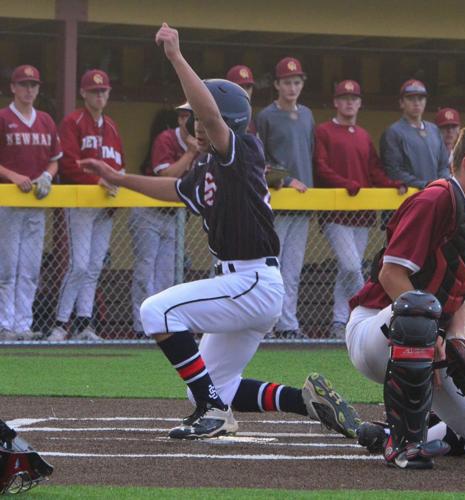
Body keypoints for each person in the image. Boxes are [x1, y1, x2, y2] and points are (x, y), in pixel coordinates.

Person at [80, 23, 360, 441]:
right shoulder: (209, 165)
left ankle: (211, 410)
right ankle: (305, 402)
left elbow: (211, 115)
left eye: (196, 115)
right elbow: (173, 189)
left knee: (156, 312)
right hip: (242, 282)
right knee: (219, 384)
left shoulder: (242, 149)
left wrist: (175, 55)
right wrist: (118, 176)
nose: (192, 121)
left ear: (222, 117)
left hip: (251, 280)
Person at [345, 126, 465, 469]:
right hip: (376, 329)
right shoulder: (435, 199)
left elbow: (458, 294)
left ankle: (402, 433)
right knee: (418, 311)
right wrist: (434, 335)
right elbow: (391, 274)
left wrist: (455, 342)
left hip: (428, 340)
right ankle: (403, 447)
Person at [314, 79, 406, 338]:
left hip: (362, 214)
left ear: (360, 103)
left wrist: (391, 184)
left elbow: (373, 170)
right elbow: (320, 167)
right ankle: (367, 314)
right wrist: (346, 184)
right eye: (344, 98)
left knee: (349, 268)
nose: (349, 102)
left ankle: (339, 321)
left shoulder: (364, 135)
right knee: (352, 266)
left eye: (353, 99)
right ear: (335, 102)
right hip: (336, 214)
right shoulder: (324, 131)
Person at [47, 69, 125, 341]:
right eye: (94, 91)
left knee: (94, 266)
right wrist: (97, 181)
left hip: (104, 207)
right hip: (80, 203)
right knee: (78, 265)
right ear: (83, 93)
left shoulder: (113, 126)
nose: (99, 94)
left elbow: (120, 165)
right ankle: (59, 323)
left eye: (103, 90)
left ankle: (85, 323)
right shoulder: (73, 121)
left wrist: (115, 189)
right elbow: (68, 163)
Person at [0, 65, 62, 341]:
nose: (28, 90)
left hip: (35, 202)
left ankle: (23, 324)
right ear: (12, 87)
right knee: (7, 267)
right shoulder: (3, 117)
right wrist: (12, 176)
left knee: (29, 268)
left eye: (33, 85)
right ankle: (5, 324)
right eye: (23, 84)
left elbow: (55, 159)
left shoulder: (46, 120)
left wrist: (48, 176)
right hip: (8, 202)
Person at [256, 57, 315, 339]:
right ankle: (267, 323)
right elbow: (261, 159)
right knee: (273, 266)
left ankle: (288, 324)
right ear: (277, 85)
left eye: (297, 82)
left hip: (302, 203)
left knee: (293, 268)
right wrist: (287, 179)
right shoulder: (266, 115)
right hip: (277, 201)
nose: (292, 87)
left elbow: (311, 154)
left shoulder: (307, 115)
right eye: (287, 82)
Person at [129, 104, 197, 337]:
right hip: (148, 211)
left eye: (191, 117)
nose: (186, 121)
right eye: (183, 116)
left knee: (167, 275)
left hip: (174, 217)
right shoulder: (166, 139)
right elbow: (167, 176)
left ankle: (162, 326)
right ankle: (141, 327)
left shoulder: (204, 145)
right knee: (145, 270)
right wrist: (189, 153)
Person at [380, 79, 450, 189]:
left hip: (436, 195)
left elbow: (444, 165)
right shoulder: (393, 132)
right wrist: (425, 185)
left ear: (425, 102)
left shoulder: (434, 130)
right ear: (401, 103)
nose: (416, 102)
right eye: (410, 98)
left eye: (421, 98)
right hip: (408, 198)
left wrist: (440, 184)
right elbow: (394, 171)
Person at [226, 65, 257, 135]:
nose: (245, 91)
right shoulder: (222, 117)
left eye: (248, 87)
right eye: (240, 87)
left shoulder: (254, 120)